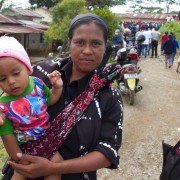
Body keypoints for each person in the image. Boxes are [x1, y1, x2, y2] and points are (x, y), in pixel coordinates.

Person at [3, 13, 123, 180]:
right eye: (79, 42)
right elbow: (8, 98)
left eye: (96, 43)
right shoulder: (41, 74)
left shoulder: (109, 98)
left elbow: (106, 152)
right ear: (69, 43)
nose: (87, 50)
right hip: (21, 171)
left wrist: (53, 168)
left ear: (105, 46)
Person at [0, 36, 63, 180]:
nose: (11, 81)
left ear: (28, 68)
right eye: (2, 79)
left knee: (56, 164)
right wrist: (18, 158)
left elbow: (50, 100)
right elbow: (7, 136)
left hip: (47, 140)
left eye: (16, 73)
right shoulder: (3, 107)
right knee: (20, 172)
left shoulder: (38, 84)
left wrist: (57, 88)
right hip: (24, 148)